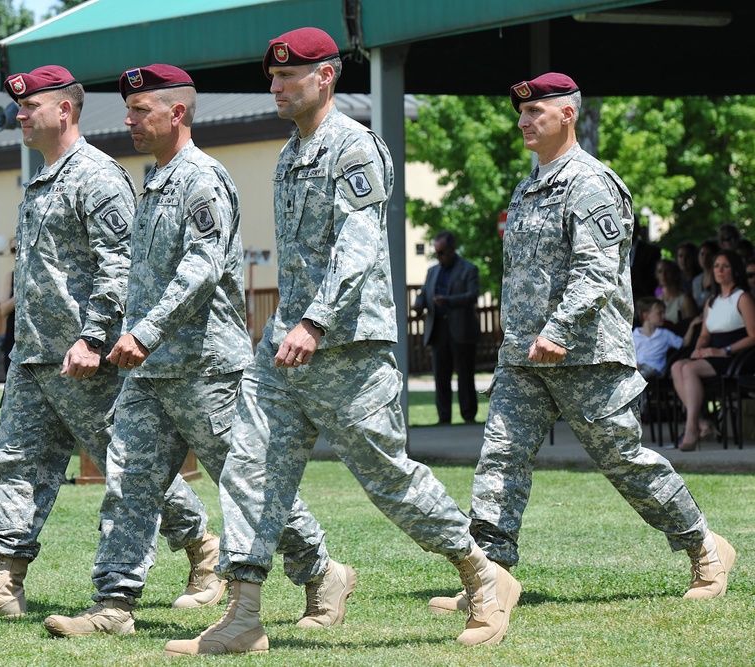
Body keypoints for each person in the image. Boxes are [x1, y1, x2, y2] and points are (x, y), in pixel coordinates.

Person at [164, 28, 519, 657]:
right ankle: (245, 614)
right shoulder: (289, 154)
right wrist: (288, 326)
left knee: (389, 480)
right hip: (286, 351)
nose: (275, 86)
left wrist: (316, 321)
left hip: (347, 348)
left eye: (288, 76)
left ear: (324, 77)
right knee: (248, 467)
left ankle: (482, 578)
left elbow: (359, 247)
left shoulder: (354, 149)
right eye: (272, 77)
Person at [40, 64, 341, 638]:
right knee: (128, 480)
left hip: (206, 367)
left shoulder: (203, 178)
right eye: (128, 111)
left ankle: (321, 572)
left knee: (247, 482)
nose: (129, 121)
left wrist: (144, 331)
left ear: (176, 113)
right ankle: (115, 604)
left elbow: (200, 270)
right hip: (150, 371)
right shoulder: (153, 181)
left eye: (141, 111)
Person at [428, 72, 735, 618]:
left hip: (585, 354)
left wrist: (559, 329)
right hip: (525, 357)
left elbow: (596, 271)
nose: (523, 121)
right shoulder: (528, 184)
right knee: (500, 458)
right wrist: (524, 340)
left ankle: (705, 549)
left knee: (623, 461)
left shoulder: (591, 183)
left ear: (567, 114)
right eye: (520, 113)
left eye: (534, 112)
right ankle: (491, 579)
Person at [0, 65, 216, 622]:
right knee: (15, 465)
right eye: (18, 106)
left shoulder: (97, 176)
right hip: (34, 358)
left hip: (87, 362)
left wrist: (93, 337)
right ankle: (5, 584)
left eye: (30, 106)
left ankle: (203, 550)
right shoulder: (41, 178)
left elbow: (119, 265)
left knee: (129, 466)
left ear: (64, 109)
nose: (20, 115)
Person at [670, 249, 755, 451]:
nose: (720, 270)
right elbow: (705, 335)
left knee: (689, 369)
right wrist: (698, 349)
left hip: (736, 355)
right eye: (716, 266)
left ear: (735, 270)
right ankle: (702, 422)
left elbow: (753, 336)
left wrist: (724, 350)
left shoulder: (743, 298)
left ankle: (691, 427)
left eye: (725, 266)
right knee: (677, 366)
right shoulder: (711, 301)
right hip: (713, 352)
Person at [413, 230, 480, 424]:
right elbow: (424, 292)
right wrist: (419, 303)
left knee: (465, 376)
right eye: (436, 252)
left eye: (442, 252)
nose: (439, 256)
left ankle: (469, 417)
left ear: (452, 249)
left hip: (461, 330)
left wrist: (448, 301)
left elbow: (472, 296)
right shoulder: (432, 271)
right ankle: (444, 418)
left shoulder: (469, 269)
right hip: (438, 330)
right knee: (441, 376)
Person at [634, 297, 683, 380]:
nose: (664, 316)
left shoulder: (665, 334)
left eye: (663, 313)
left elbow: (683, 343)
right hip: (639, 368)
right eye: (660, 313)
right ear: (646, 316)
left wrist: (691, 327)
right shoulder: (634, 335)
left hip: (655, 369)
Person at [655, 258, 697, 336]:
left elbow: (692, 327)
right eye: (660, 272)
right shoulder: (658, 300)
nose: (663, 275)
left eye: (667, 271)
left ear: (674, 273)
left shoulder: (685, 300)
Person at [629, 215, 660, 304]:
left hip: (646, 298)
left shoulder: (651, 252)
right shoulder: (617, 251)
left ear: (638, 229)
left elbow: (654, 279)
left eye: (633, 227)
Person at [0, 236, 17, 376]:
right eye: (13, 249)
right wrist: (18, 296)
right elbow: (3, 310)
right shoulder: (10, 277)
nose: (16, 252)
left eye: (18, 248)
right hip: (13, 334)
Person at [692, 239, 719, 308]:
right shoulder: (696, 280)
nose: (704, 258)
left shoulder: (719, 278)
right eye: (702, 254)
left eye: (708, 255)